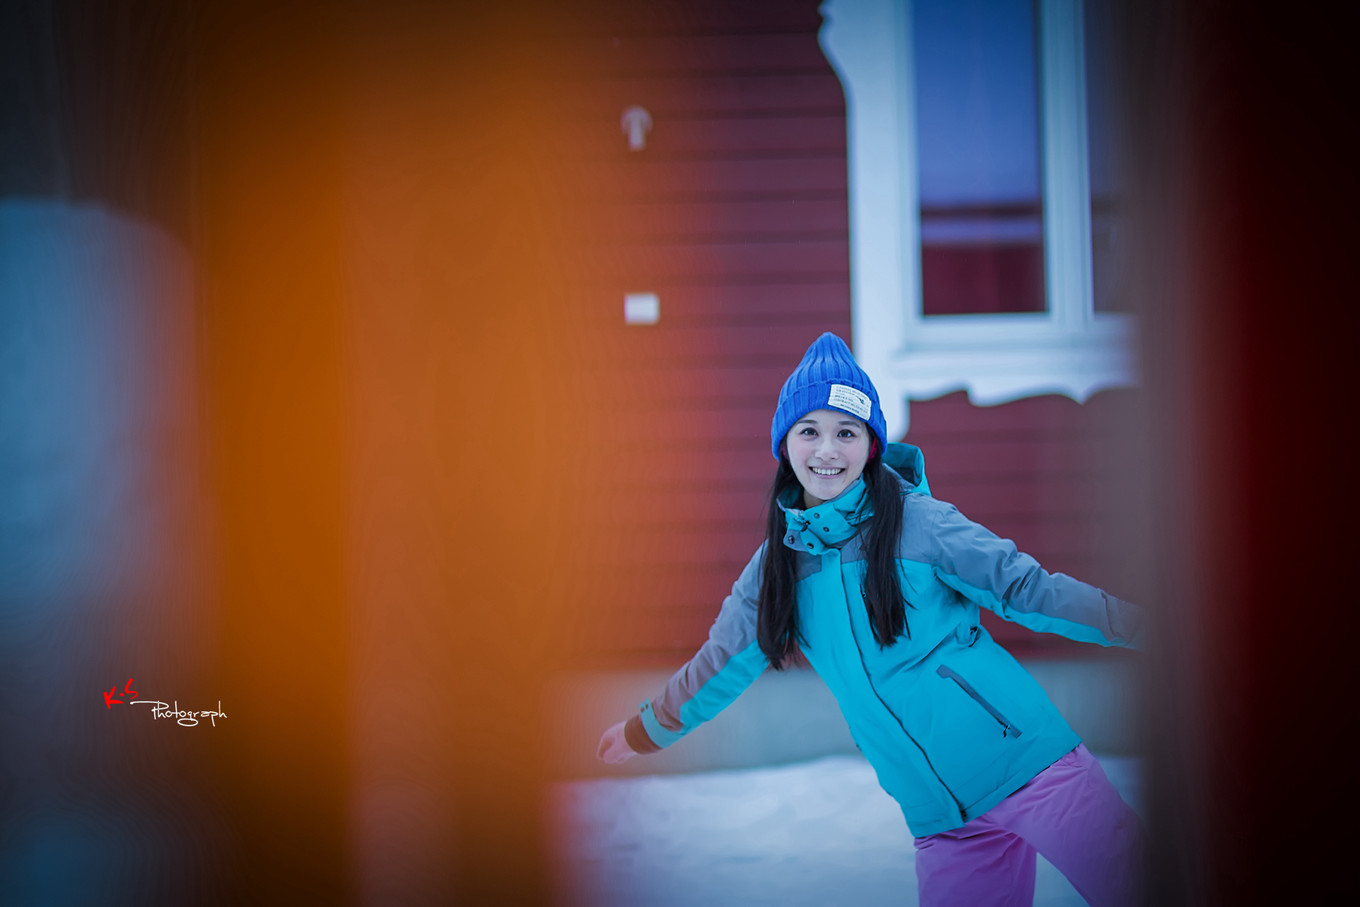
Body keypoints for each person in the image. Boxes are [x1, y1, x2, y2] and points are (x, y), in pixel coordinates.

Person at [595, 332, 1145, 907]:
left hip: (1036, 771)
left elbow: (1029, 589)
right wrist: (648, 728)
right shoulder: (776, 567)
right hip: (942, 821)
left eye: (845, 432)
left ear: (871, 445)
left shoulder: (922, 524)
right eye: (809, 431)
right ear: (785, 444)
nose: (826, 449)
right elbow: (721, 662)